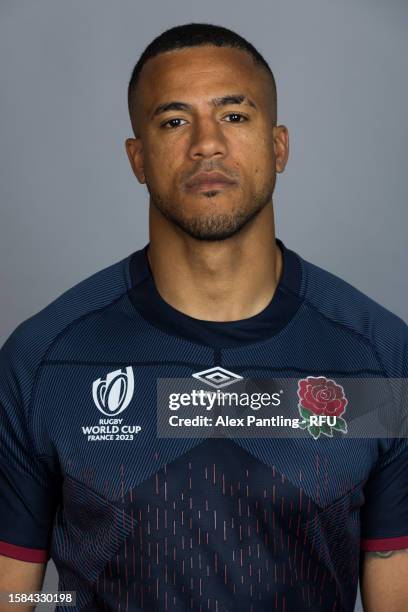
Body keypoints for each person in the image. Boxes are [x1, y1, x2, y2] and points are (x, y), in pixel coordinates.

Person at [0, 22, 407, 612]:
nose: (206, 144)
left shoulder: (377, 360)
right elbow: (15, 594)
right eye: (173, 121)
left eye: (235, 116)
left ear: (279, 146)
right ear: (138, 158)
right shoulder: (42, 361)